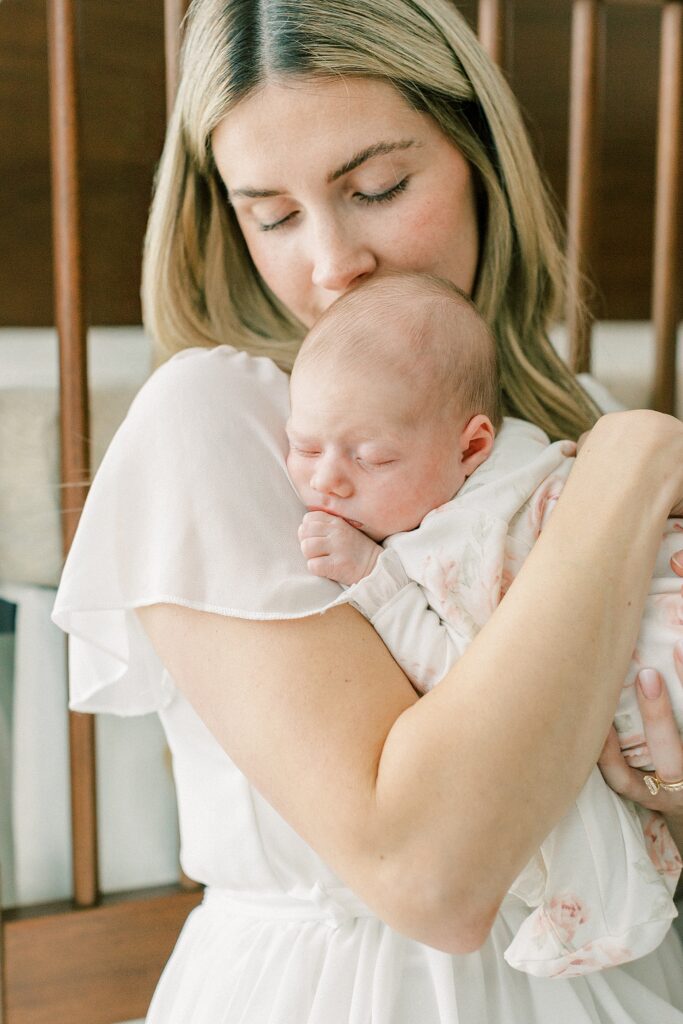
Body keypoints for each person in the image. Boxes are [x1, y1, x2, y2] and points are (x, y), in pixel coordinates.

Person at [51, 0, 683, 1020]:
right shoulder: (219, 425)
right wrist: (639, 458)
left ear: (476, 159)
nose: (331, 261)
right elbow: (430, 873)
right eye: (273, 214)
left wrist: (664, 802)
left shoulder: (572, 426)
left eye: (377, 187)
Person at [285, 269, 683, 978]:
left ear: (472, 448)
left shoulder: (479, 517)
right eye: (305, 448)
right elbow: (479, 707)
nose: (326, 482)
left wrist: (379, 585)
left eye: (370, 456)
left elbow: (458, 661)